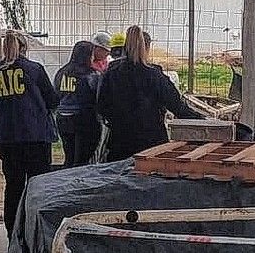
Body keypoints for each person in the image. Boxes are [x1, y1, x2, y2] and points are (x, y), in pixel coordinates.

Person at [0, 31, 58, 233]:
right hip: (36, 137)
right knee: (38, 186)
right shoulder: (34, 70)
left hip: (7, 139)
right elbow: (52, 100)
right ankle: (36, 232)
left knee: (13, 187)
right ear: (25, 48)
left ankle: (13, 235)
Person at [96, 25, 204, 162]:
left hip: (120, 142)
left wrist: (116, 121)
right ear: (146, 48)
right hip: (152, 143)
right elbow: (176, 105)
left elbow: (102, 106)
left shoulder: (110, 73)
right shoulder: (154, 75)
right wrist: (201, 120)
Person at [54, 41, 101, 167]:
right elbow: (99, 96)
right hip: (84, 120)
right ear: (87, 56)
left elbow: (56, 94)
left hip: (62, 119)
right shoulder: (91, 75)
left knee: (69, 157)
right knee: (82, 160)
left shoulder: (61, 72)